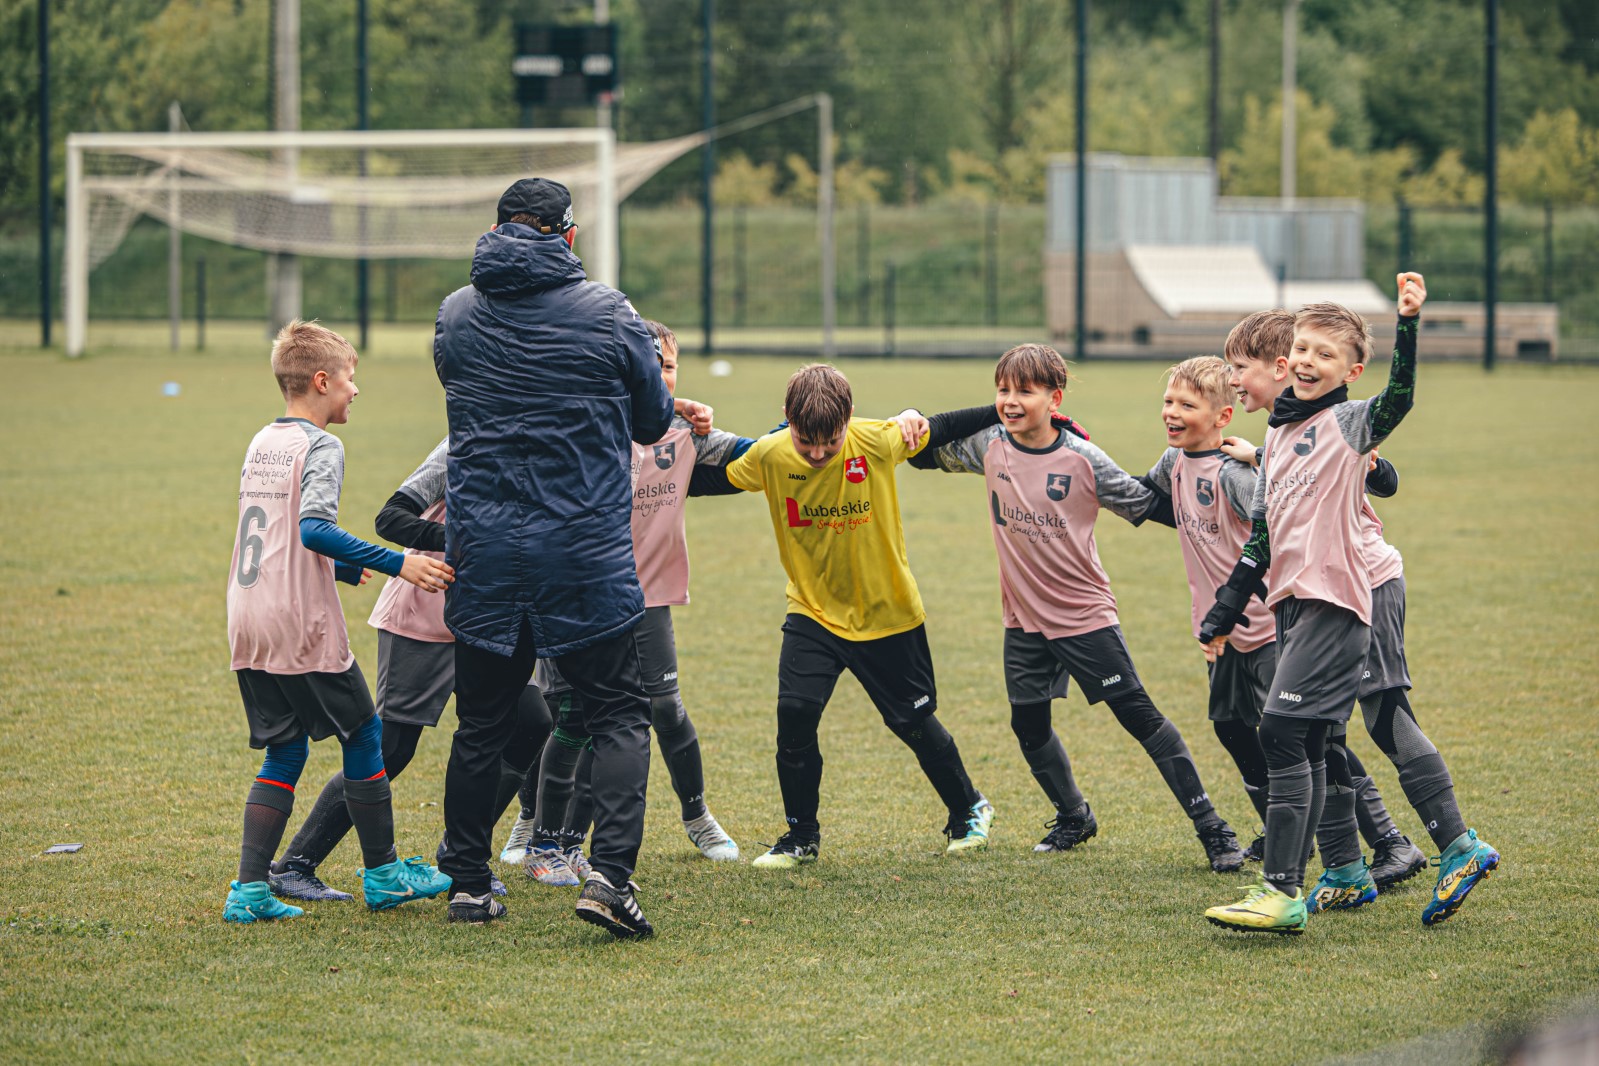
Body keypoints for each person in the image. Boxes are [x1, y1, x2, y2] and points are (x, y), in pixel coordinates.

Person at [1201, 275, 1499, 935]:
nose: (1305, 362)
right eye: (1301, 351)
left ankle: (1451, 844)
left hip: (1352, 589)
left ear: (1346, 369)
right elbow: (1265, 532)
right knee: (1321, 734)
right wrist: (1226, 609)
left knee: (1373, 717)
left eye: (1321, 353)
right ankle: (1340, 869)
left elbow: (1392, 412)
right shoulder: (1280, 437)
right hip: (1297, 597)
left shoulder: (1344, 422)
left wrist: (1409, 323)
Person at [433, 177, 672, 937]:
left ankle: (468, 882)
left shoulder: (456, 312)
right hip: (580, 549)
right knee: (619, 714)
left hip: (486, 551)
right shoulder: (608, 310)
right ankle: (610, 879)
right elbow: (651, 421)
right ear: (567, 235)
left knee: (480, 723)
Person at [908, 345, 1246, 871]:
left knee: (1140, 719)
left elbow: (1148, 504)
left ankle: (1213, 829)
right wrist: (915, 420)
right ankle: (1074, 816)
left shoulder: (1084, 459)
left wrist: (1225, 507)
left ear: (1055, 399)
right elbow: (921, 452)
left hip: (1084, 616)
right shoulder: (988, 445)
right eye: (1003, 390)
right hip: (1022, 618)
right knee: (1028, 726)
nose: (1010, 401)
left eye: (1025, 391)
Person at [693, 364, 1007, 868]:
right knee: (794, 716)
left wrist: (1003, 409)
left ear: (850, 418)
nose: (818, 454)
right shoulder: (770, 454)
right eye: (805, 442)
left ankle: (969, 808)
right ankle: (801, 837)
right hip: (812, 612)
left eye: (831, 443)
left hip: (887, 614)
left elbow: (945, 425)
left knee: (912, 721)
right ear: (786, 418)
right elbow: (711, 479)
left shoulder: (878, 440)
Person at [1141, 353, 1411, 873]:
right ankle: (1281, 829)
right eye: (1168, 402)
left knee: (1303, 737)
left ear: (1222, 416)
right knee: (1231, 727)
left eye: (1186, 404)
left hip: (1268, 626)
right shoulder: (1173, 463)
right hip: (1221, 630)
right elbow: (1147, 495)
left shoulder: (1236, 477)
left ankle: (1387, 838)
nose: (1172, 412)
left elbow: (1283, 519)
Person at [223, 320, 454, 922]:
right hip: (298, 620)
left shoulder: (262, 440)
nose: (356, 389)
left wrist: (343, 568)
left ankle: (249, 892)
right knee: (365, 734)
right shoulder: (323, 446)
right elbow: (313, 529)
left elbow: (279, 531)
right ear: (321, 381)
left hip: (247, 611)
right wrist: (401, 562)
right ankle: (384, 875)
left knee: (284, 751)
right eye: (350, 378)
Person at [509, 319, 751, 884]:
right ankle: (531, 820)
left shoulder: (685, 433)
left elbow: (757, 456)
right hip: (578, 593)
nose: (660, 376)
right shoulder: (590, 422)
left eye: (669, 367)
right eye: (650, 364)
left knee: (663, 708)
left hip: (647, 597)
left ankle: (697, 816)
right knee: (561, 715)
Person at [267, 438, 553, 903]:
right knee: (392, 748)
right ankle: (296, 864)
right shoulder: (463, 444)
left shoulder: (555, 444)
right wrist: (462, 540)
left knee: (532, 721)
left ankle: (461, 852)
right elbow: (391, 518)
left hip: (492, 622)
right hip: (424, 617)